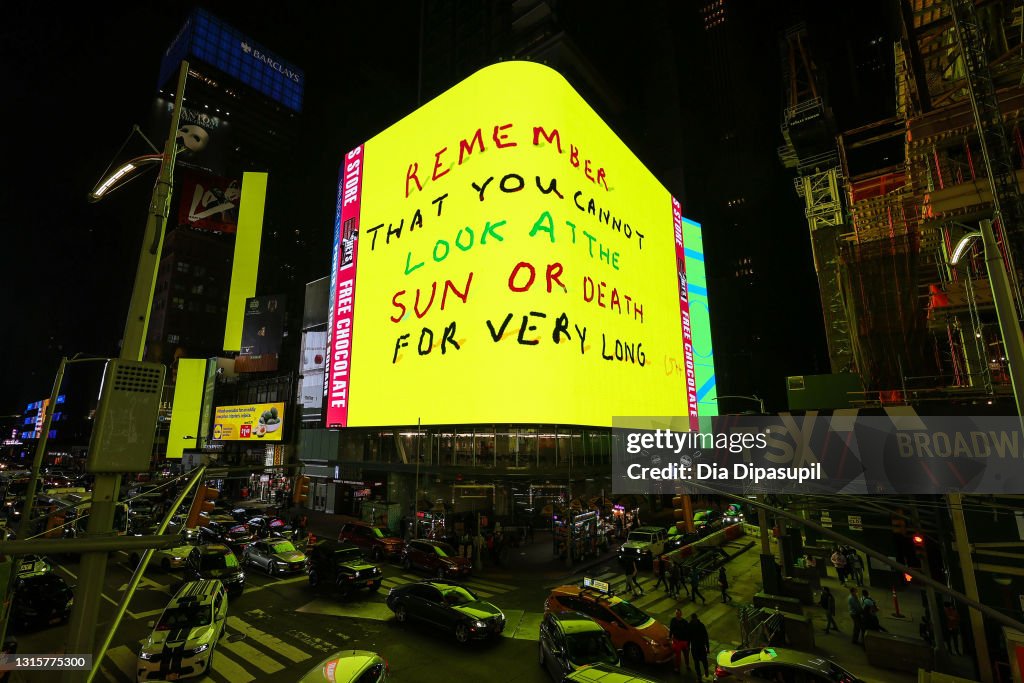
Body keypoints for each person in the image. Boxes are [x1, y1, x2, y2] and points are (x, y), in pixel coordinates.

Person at [689, 612, 711, 681]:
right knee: (699, 662)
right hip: (697, 647)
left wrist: (707, 647)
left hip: (697, 647)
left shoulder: (697, 625)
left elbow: (705, 637)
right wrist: (707, 647)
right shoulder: (700, 625)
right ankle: (700, 674)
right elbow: (705, 637)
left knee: (701, 662)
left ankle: (704, 672)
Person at [669, 608, 691, 673]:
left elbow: (688, 632)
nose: (677, 615)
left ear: (681, 614)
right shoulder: (673, 620)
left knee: (686, 654)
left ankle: (687, 665)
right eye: (676, 613)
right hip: (677, 641)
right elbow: (671, 629)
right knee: (677, 656)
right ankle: (677, 668)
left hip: (684, 641)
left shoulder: (685, 622)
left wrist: (688, 643)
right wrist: (670, 637)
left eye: (678, 613)